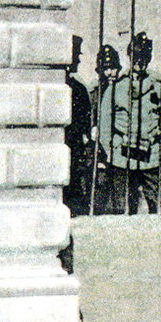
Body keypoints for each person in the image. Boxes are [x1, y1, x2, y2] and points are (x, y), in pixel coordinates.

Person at [96, 32, 161, 215]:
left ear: (149, 58)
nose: (140, 61)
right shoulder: (116, 88)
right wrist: (111, 150)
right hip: (122, 157)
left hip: (150, 156)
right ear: (130, 57)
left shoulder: (158, 87)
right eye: (136, 57)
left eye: (144, 57)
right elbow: (105, 124)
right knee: (123, 209)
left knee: (158, 207)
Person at [88, 44, 122, 215]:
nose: (110, 72)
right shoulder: (94, 92)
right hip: (99, 148)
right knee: (100, 188)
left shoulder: (123, 90)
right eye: (106, 68)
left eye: (113, 68)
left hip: (120, 146)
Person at [64, 35, 93, 217]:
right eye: (76, 56)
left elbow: (86, 121)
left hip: (74, 148)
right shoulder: (75, 88)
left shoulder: (79, 88)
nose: (79, 60)